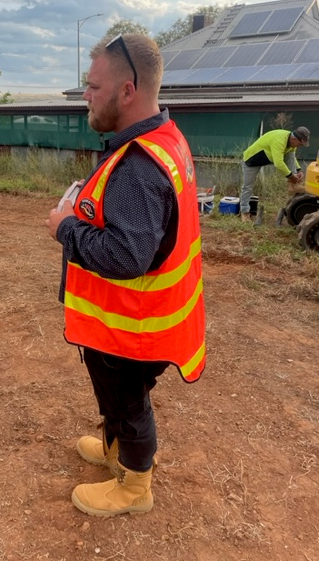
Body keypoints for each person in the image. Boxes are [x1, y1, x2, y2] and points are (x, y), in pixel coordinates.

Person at [45, 34, 206, 517]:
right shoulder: (164, 140)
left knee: (128, 403)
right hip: (140, 317)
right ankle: (114, 450)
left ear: (128, 91)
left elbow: (125, 254)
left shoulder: (138, 165)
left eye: (93, 87)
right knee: (118, 398)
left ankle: (136, 486)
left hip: (129, 325)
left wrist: (66, 227)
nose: (86, 96)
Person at [240, 127, 310, 221]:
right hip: (252, 161)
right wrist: (291, 176)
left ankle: (294, 185)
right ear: (294, 139)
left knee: (290, 154)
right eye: (300, 144)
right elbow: (278, 163)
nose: (299, 146)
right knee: (247, 186)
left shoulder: (292, 143)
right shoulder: (279, 140)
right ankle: (244, 212)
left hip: (267, 157)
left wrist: (299, 170)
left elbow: (291, 158)